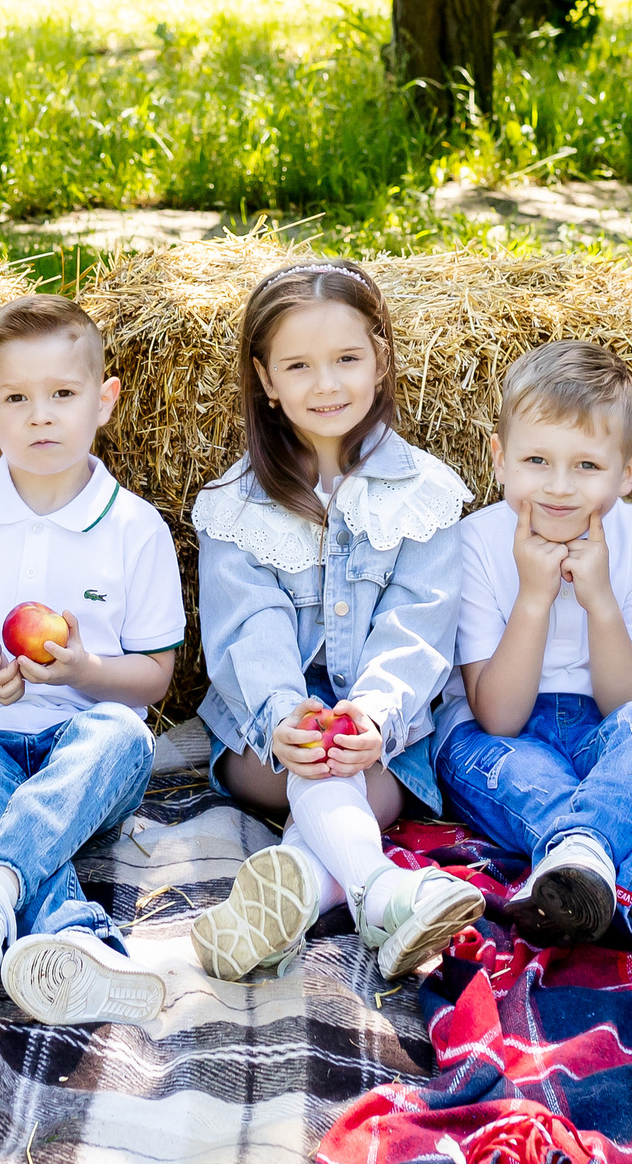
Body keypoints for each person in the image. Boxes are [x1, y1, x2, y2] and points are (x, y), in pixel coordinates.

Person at [188, 258, 485, 984]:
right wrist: (287, 716)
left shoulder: (425, 493)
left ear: (380, 360)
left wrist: (372, 717)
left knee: (342, 771)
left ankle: (302, 887)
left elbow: (418, 628)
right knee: (314, 759)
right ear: (265, 379)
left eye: (347, 358)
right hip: (264, 741)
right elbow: (246, 627)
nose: (326, 384)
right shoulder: (236, 505)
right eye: (299, 365)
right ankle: (382, 891)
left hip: (383, 744)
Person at [433, 342, 632, 982]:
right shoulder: (475, 540)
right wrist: (534, 597)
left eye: (586, 465)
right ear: (499, 460)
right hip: (491, 739)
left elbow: (631, 702)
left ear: (628, 471)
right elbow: (497, 716)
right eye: (536, 460)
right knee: (526, 773)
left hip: (601, 733)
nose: (559, 486)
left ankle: (582, 861)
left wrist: (599, 599)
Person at [0, 295, 182, 1025]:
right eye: (17, 398)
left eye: (63, 394)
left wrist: (87, 671)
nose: (41, 415)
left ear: (104, 401)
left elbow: (155, 676)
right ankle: (70, 936)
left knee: (124, 734)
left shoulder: (134, 528)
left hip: (82, 750)